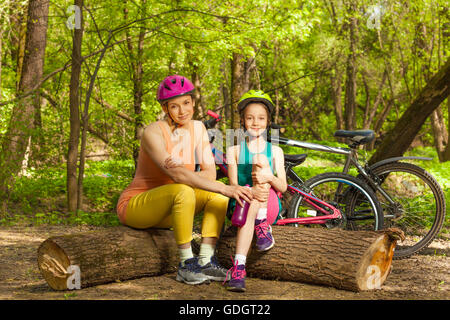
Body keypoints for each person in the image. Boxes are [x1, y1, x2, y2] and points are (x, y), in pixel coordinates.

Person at [116, 75, 253, 285]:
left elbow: (210, 173)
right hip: (137, 206)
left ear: (193, 102)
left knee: (216, 193)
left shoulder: (198, 129)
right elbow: (178, 176)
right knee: (187, 189)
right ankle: (186, 264)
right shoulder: (153, 132)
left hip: (176, 206)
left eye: (186, 103)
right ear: (165, 108)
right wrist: (184, 175)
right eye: (174, 106)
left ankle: (206, 260)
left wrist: (186, 175)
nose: (183, 111)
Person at [224, 90, 287, 292]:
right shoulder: (233, 150)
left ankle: (238, 268)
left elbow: (283, 187)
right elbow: (234, 186)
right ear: (243, 120)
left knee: (261, 161)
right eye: (250, 118)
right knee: (250, 202)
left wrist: (268, 177)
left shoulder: (276, 151)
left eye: (261, 118)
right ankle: (259, 230)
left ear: (268, 121)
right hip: (241, 205)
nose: (255, 122)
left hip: (267, 203)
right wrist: (249, 193)